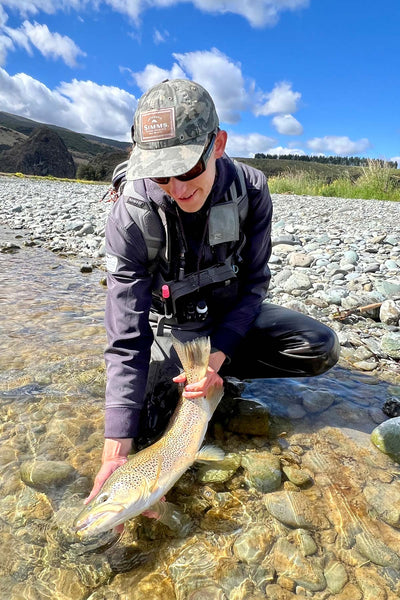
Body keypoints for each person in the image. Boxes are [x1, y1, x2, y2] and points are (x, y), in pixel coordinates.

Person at [86, 79, 339, 504]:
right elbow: (126, 334)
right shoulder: (130, 216)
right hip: (174, 330)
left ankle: (221, 380)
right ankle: (206, 391)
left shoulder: (251, 191)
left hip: (226, 323)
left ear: (217, 144)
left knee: (317, 347)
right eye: (161, 174)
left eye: (186, 169)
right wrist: (116, 450)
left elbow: (255, 284)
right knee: (141, 423)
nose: (178, 187)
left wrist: (218, 353)